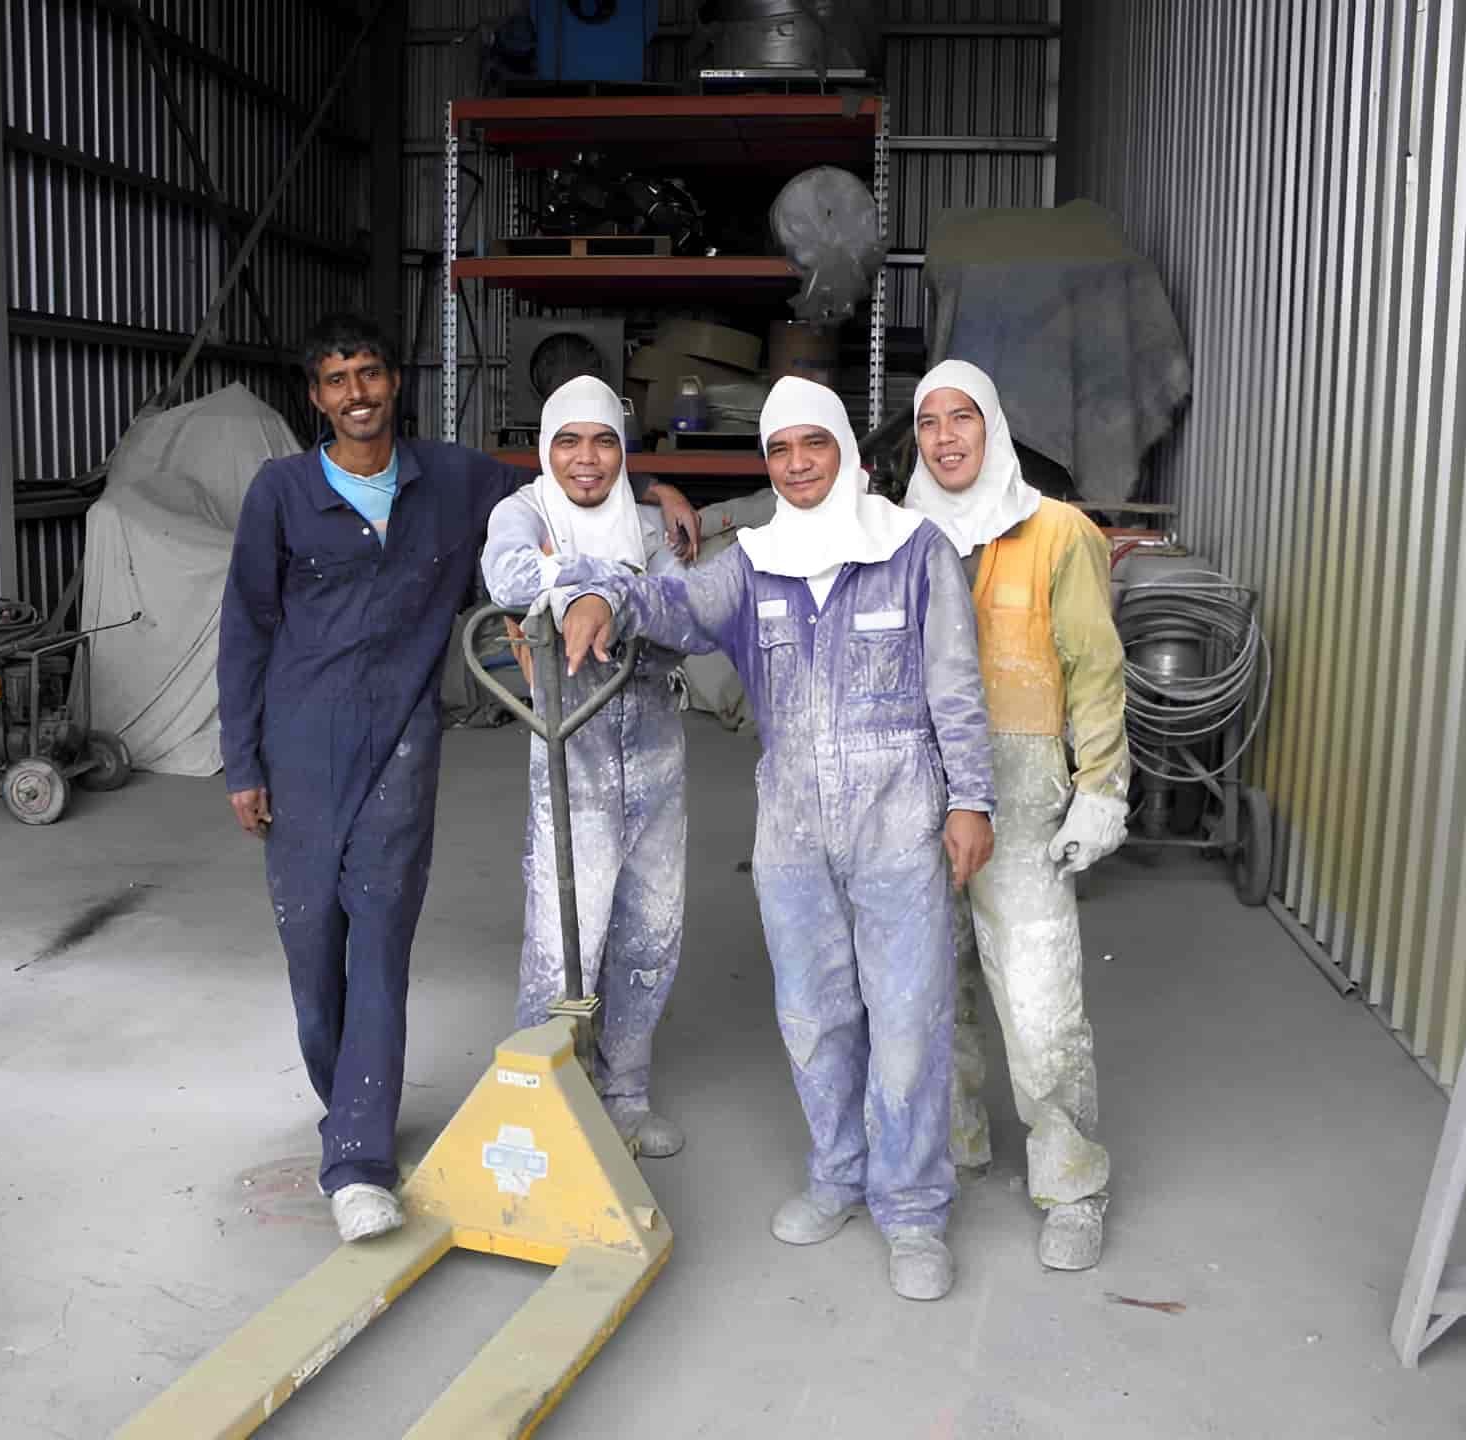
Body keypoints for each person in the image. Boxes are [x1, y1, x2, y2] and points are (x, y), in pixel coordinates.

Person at [217, 313, 700, 1243]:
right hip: (302, 745)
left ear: (395, 382)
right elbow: (246, 629)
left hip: (403, 742)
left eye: (369, 374)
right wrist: (243, 760)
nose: (356, 393)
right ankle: (345, 1102)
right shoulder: (280, 493)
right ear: (315, 399)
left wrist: (662, 486)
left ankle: (357, 1157)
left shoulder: (450, 479)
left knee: (383, 942)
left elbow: (565, 484)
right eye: (335, 380)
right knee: (314, 949)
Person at [561, 376, 996, 1301]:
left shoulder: (915, 551)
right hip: (793, 825)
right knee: (812, 1013)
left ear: (846, 450)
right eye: (780, 451)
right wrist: (602, 597)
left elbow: (957, 686)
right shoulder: (752, 561)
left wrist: (972, 802)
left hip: (898, 820)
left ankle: (913, 1208)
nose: (798, 465)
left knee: (910, 1022)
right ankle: (838, 1173)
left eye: (815, 445)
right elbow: (672, 604)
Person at [905, 358, 1131, 1272]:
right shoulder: (899, 533)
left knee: (1039, 999)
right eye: (929, 423)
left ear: (992, 427)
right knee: (928, 986)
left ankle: (1071, 1178)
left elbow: (1095, 664)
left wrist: (1102, 784)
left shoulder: (1056, 532)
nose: (947, 437)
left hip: (1025, 790)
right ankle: (954, 1148)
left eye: (963, 418)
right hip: (916, 786)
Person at [479, 376, 691, 1158]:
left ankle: (625, 1095)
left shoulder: (650, 522)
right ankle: (546, 1096)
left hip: (657, 745)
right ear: (546, 448)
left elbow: (680, 618)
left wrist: (583, 579)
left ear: (622, 449)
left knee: (651, 929)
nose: (586, 459)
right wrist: (592, 589)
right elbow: (507, 574)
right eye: (567, 440)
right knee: (566, 931)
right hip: (574, 742)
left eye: (603, 440)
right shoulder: (524, 511)